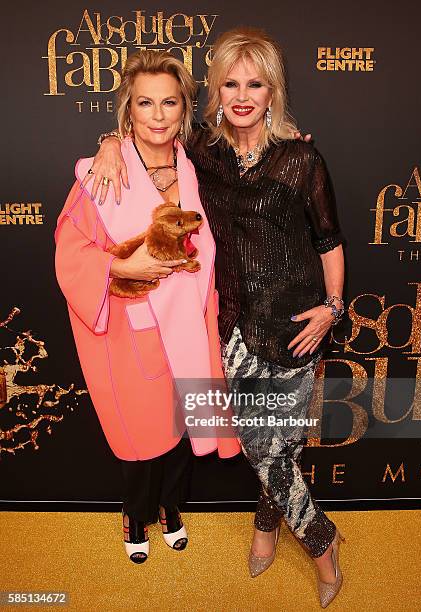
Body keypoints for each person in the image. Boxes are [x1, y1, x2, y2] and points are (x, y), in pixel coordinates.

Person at [88, 27, 346, 608]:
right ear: (217, 92)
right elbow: (150, 131)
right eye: (231, 82)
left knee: (282, 446)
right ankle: (324, 543)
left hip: (299, 325)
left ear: (273, 90)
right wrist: (110, 139)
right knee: (262, 444)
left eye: (254, 83)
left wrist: (332, 309)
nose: (242, 95)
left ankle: (264, 526)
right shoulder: (202, 151)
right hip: (229, 328)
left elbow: (329, 240)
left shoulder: (302, 158)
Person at [54, 50, 240, 565]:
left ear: (184, 108)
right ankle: (135, 513)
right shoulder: (102, 173)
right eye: (144, 103)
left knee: (183, 431)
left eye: (169, 103)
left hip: (191, 326)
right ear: (127, 110)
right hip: (129, 329)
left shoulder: (200, 165)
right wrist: (120, 270)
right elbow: (70, 251)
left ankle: (170, 508)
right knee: (140, 437)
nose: (157, 115)